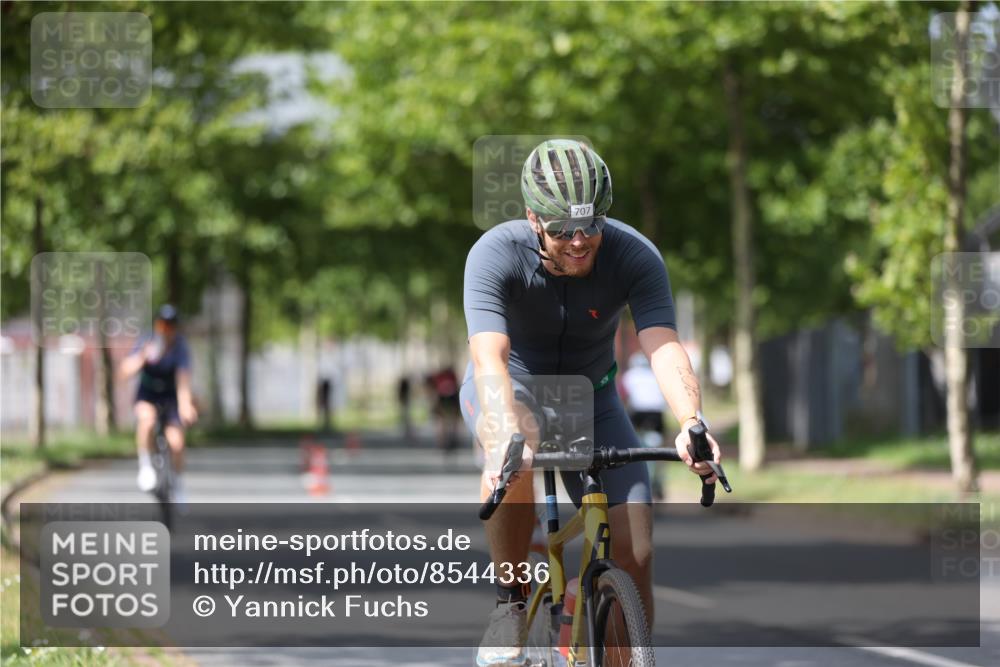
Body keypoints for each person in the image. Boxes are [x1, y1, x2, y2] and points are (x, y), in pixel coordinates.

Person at [460, 139, 721, 666]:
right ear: (533, 217)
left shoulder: (633, 253)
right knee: (515, 453)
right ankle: (509, 606)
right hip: (515, 386)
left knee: (637, 550)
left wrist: (691, 421)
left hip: (594, 399)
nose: (579, 242)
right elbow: (490, 356)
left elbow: (664, 345)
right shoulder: (494, 253)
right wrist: (502, 435)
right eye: (561, 230)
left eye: (591, 227)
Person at [118, 304, 198, 502]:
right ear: (157, 325)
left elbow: (183, 380)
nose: (166, 330)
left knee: (177, 443)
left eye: (171, 326)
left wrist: (186, 405)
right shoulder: (146, 341)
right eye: (163, 325)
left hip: (170, 397)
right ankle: (146, 466)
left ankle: (177, 482)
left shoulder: (180, 347)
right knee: (147, 421)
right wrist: (143, 357)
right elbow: (125, 371)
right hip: (148, 394)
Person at [621, 352, 668, 501]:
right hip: (656, 414)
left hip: (638, 413)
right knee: (661, 447)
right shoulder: (656, 375)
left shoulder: (629, 375)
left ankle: (638, 477)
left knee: (635, 445)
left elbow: (623, 398)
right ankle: (659, 480)